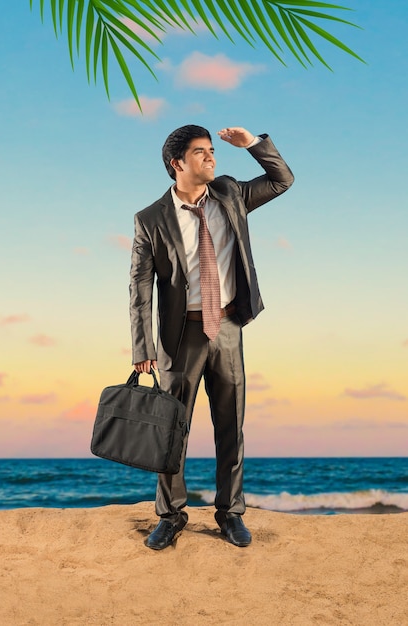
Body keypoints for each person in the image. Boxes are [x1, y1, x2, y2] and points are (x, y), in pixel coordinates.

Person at [129, 125, 294, 550]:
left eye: (211, 151)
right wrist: (142, 346)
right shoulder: (149, 219)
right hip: (179, 334)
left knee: (230, 426)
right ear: (177, 163)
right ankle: (170, 515)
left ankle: (230, 513)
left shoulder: (229, 194)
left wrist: (254, 146)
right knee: (170, 430)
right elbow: (140, 287)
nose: (211, 158)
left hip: (228, 327)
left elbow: (282, 180)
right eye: (200, 152)